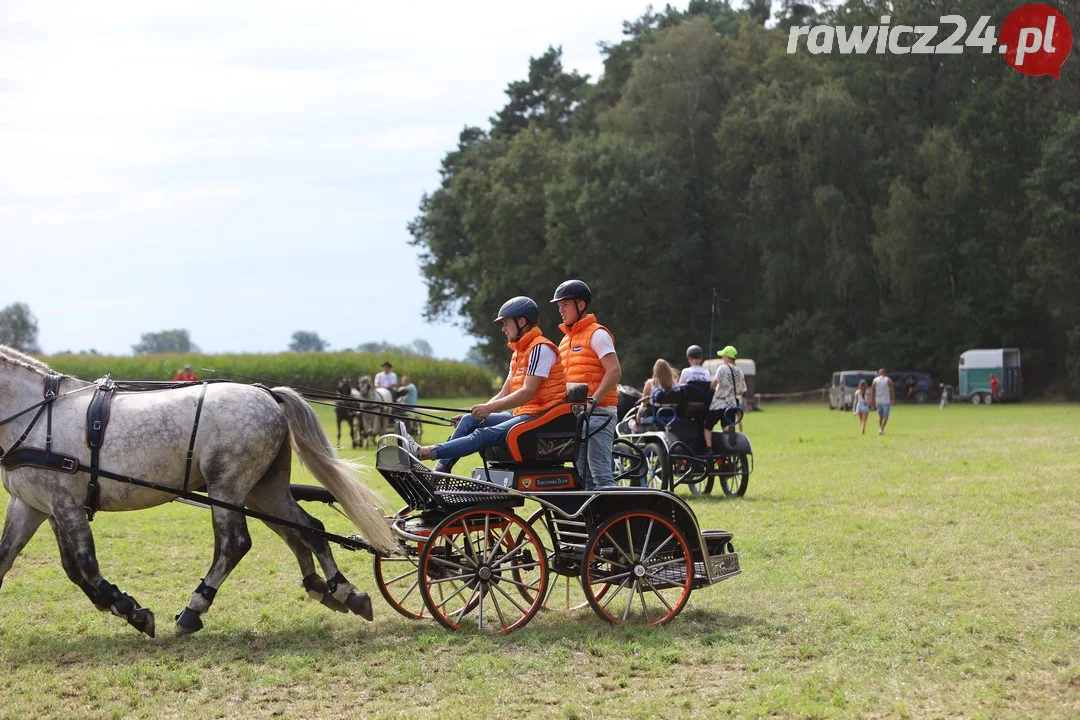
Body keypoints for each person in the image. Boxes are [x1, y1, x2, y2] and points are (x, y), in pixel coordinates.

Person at [396, 296, 566, 474]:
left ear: (521, 321)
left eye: (506, 323)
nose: (503, 329)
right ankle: (439, 471)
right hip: (525, 414)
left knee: (484, 434)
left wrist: (489, 408)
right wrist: (480, 411)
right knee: (471, 420)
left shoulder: (540, 349)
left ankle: (422, 452)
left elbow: (527, 392)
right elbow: (504, 393)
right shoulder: (518, 353)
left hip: (542, 418)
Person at [552, 279, 622, 491]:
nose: (561, 310)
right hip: (577, 415)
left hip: (599, 413)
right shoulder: (564, 341)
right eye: (559, 306)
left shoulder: (597, 334)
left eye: (565, 304)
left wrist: (594, 400)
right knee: (583, 476)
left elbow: (615, 371)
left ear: (581, 305)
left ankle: (615, 521)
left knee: (600, 474)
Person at [705, 345, 746, 451]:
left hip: (718, 404)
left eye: (723, 356)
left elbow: (713, 385)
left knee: (707, 427)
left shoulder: (722, 368)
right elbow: (741, 390)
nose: (722, 358)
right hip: (732, 405)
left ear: (727, 357)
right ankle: (730, 429)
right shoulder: (740, 372)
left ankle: (709, 448)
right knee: (725, 427)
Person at [637, 359, 678, 427]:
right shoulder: (675, 384)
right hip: (672, 413)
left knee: (641, 407)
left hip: (656, 413)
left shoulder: (651, 383)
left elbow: (644, 402)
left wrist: (639, 412)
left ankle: (637, 426)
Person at [871, 368, 895, 435]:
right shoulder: (888, 380)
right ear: (885, 373)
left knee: (881, 416)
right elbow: (892, 390)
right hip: (886, 400)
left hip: (878, 401)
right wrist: (893, 399)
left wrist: (872, 402)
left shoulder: (875, 380)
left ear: (879, 373)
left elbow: (872, 391)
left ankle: (881, 429)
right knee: (886, 415)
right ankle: (881, 429)